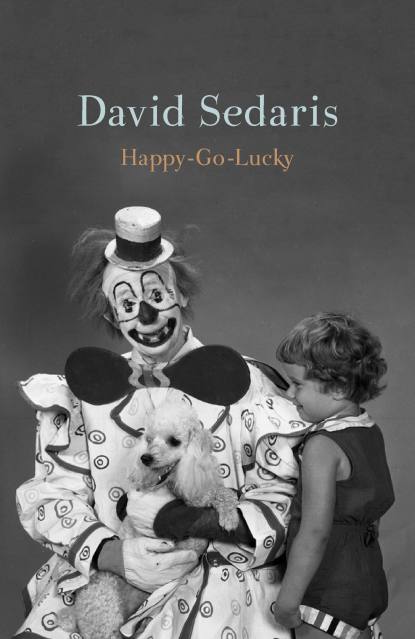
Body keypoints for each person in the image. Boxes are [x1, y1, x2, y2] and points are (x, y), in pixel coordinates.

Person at [14, 206, 310, 639]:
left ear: (181, 295)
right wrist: (113, 554)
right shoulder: (80, 393)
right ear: (112, 317)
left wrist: (195, 525)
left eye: (157, 296)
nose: (147, 317)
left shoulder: (252, 385)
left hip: (222, 583)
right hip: (110, 579)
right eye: (127, 305)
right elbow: (51, 494)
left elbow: (288, 498)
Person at [273, 312, 395, 639]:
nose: (289, 394)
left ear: (338, 388)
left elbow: (315, 532)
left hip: (326, 588)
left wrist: (288, 600)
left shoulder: (323, 446)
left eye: (298, 384)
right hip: (366, 581)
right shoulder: (369, 432)